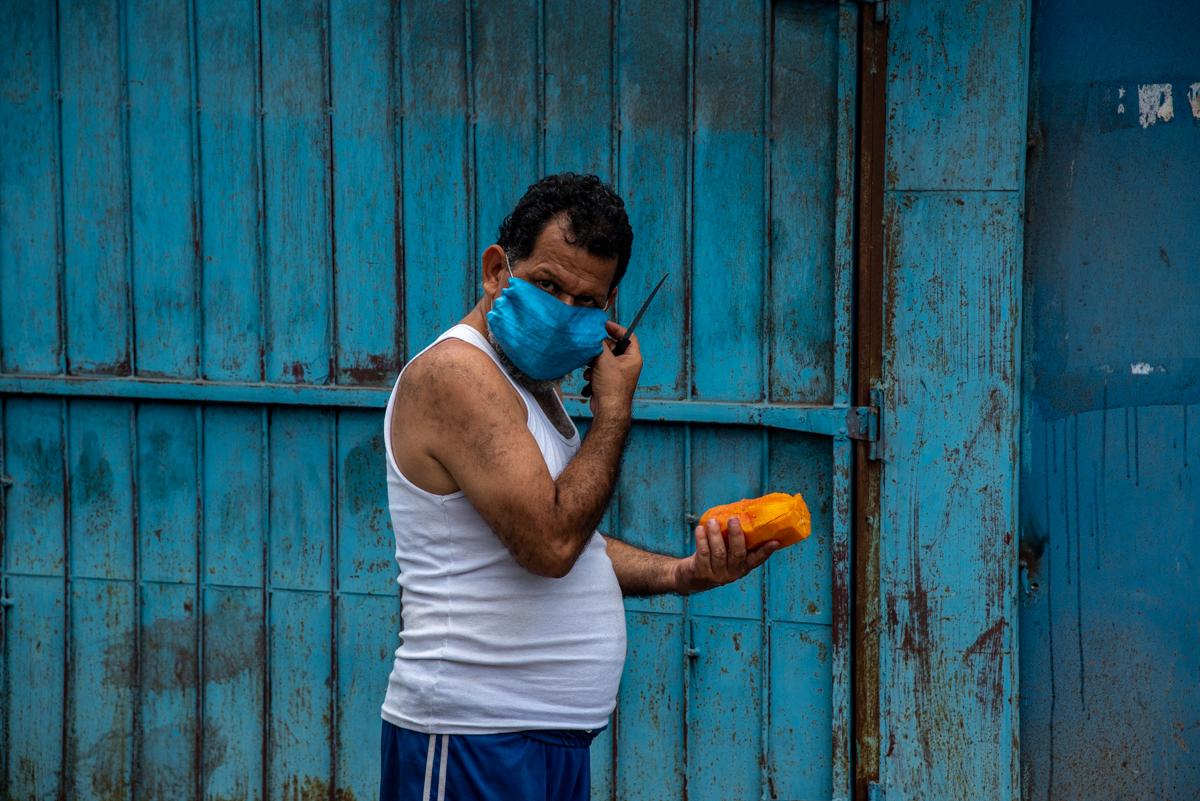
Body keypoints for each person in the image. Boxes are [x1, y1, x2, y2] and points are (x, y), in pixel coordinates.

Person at [378, 173, 778, 801]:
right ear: (495, 271)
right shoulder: (456, 373)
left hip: (540, 742)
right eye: (547, 285)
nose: (565, 311)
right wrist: (615, 412)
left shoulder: (532, 392)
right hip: (473, 740)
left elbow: (578, 546)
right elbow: (551, 543)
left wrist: (681, 574)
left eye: (587, 302)